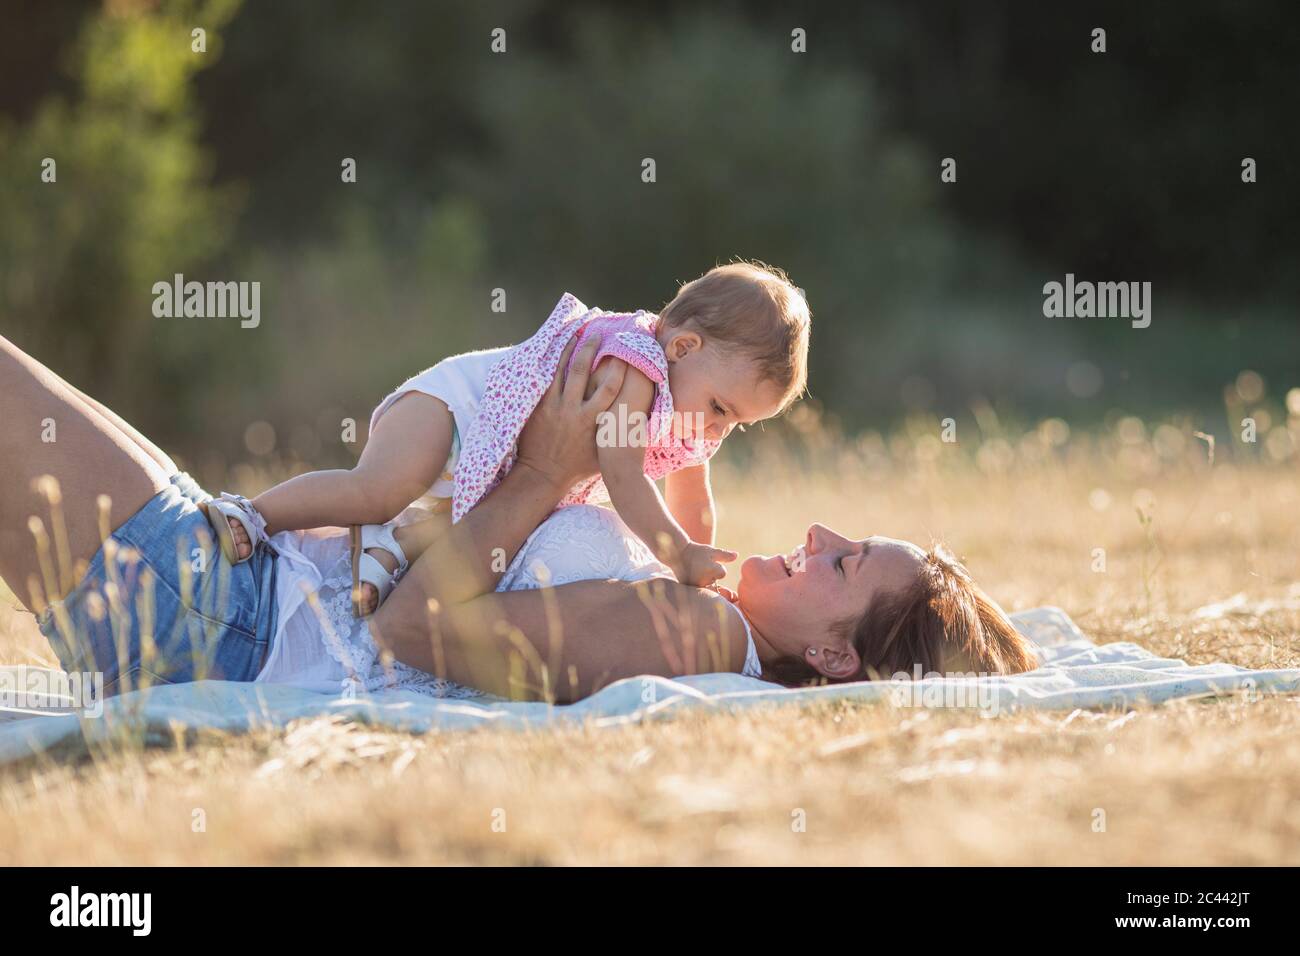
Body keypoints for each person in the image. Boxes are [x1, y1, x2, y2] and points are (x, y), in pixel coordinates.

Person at [0, 333, 1036, 704]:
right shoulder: (696, 603)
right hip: (224, 589)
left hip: (223, 615)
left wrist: (540, 473)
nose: (817, 534)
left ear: (836, 655)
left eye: (843, 564)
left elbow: (414, 630)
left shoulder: (696, 636)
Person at [207, 262, 811, 615]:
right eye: (720, 408)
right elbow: (624, 475)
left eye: (737, 424)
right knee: (380, 489)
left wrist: (696, 574)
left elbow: (694, 502)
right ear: (682, 348)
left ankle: (383, 550)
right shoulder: (634, 368)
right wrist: (675, 554)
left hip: (499, 459)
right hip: (460, 408)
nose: (717, 430)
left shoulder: (690, 416)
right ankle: (254, 513)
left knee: (477, 534)